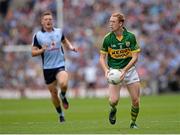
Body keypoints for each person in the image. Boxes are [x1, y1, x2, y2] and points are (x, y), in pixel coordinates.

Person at [31, 11, 77, 123]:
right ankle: (61, 114)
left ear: (53, 21)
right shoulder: (38, 36)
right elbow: (33, 52)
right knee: (53, 93)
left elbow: (64, 40)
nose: (48, 21)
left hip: (60, 65)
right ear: (42, 22)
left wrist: (70, 47)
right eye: (46, 19)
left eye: (50, 19)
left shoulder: (59, 32)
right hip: (47, 68)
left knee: (64, 83)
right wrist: (41, 50)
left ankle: (63, 95)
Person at [99, 12, 141, 128]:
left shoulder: (130, 37)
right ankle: (113, 109)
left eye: (113, 22)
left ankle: (133, 123)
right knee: (113, 101)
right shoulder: (107, 38)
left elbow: (135, 57)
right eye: (110, 22)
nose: (110, 24)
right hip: (114, 71)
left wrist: (125, 70)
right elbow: (102, 58)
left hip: (129, 71)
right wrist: (105, 70)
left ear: (121, 23)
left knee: (136, 101)